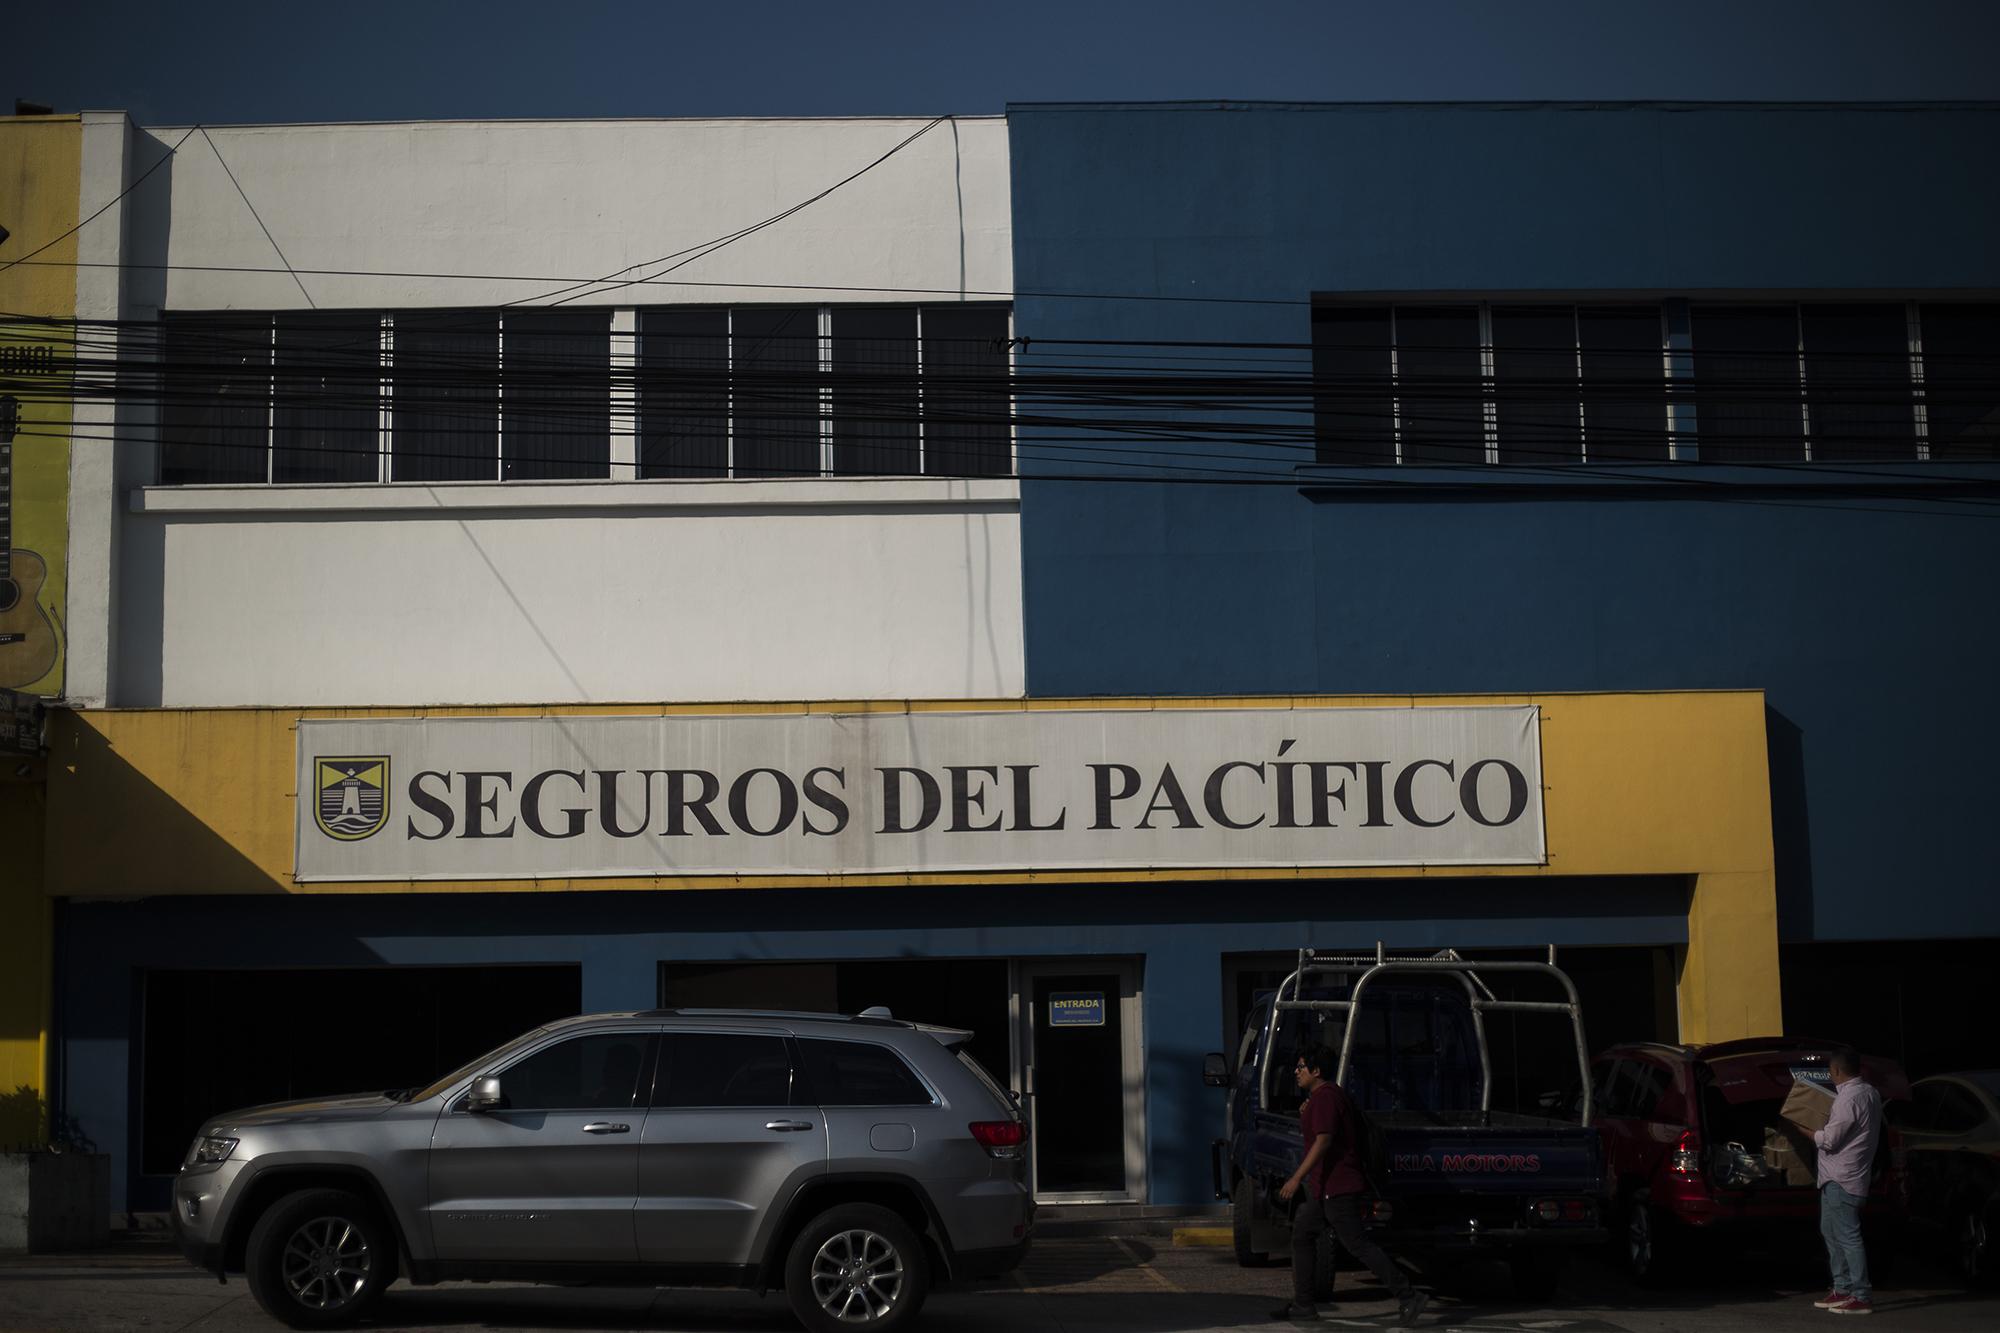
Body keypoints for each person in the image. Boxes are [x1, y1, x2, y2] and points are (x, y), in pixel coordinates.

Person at [1270, 1044, 1428, 1326]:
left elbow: (1324, 1141)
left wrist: (1296, 1178)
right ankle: (1304, 1304)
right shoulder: (1321, 1098)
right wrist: (1306, 1111)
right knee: (1302, 1235)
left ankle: (1408, 1295)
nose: (1296, 1071)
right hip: (1323, 1188)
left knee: (1358, 1244)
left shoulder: (1327, 1097)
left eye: (1301, 1067)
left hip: (1338, 1186)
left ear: (1316, 1071)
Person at [1811, 1046, 1883, 1317]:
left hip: (1843, 1178)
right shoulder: (1870, 1093)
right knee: (1831, 1232)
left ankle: (1861, 1294)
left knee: (1848, 1237)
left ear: (1837, 1071)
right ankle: (1841, 1288)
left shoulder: (1848, 1099)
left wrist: (1804, 1129)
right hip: (1837, 1177)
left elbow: (1830, 1140)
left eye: (1831, 1071)